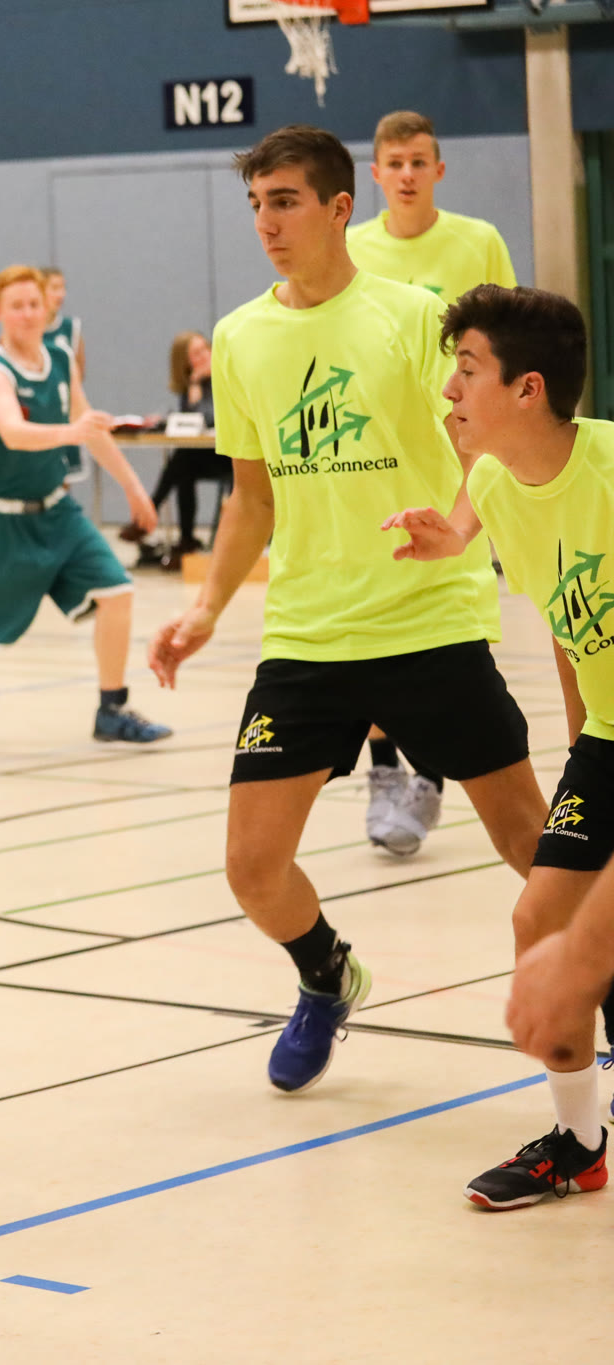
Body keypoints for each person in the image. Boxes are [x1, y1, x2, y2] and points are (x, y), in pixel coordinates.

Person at [148, 125, 545, 1096]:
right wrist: (205, 609)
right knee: (252, 867)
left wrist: (461, 528)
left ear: (337, 209)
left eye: (284, 201)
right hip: (307, 634)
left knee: (530, 843)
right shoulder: (240, 337)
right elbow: (251, 496)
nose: (266, 223)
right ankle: (326, 975)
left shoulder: (414, 318)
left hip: (429, 617)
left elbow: (483, 445)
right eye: (256, 205)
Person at [383, 285, 612, 1208]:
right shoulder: (490, 480)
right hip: (609, 737)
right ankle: (580, 1141)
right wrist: (447, 542)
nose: (449, 390)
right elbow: (561, 613)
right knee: (538, 923)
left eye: (468, 370)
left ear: (528, 388)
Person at [348, 109, 519, 859]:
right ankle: (384, 767)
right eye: (395, 163)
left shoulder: (478, 242)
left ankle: (429, 773)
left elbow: (511, 342)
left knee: (438, 623)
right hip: (375, 456)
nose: (408, 174)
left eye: (419, 161)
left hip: (455, 454)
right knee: (371, 614)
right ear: (376, 173)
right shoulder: (353, 248)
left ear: (439, 170)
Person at [0, 266, 167, 749]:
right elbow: (13, 432)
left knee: (117, 591)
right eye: (17, 306)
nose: (28, 313)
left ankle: (112, 708)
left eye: (34, 304)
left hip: (56, 510)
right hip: (0, 521)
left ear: (48, 308)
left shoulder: (60, 358)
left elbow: (89, 426)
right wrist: (72, 432)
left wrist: (134, 486)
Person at [142, 331, 229, 566]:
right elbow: (191, 424)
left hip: (231, 456)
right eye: (196, 354)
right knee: (183, 466)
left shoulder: (225, 378)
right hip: (206, 455)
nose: (204, 356)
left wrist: (197, 386)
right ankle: (185, 539)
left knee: (182, 461)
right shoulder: (192, 386)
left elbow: (209, 418)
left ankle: (149, 512)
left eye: (205, 349)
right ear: (185, 362)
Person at [42, 267, 91, 484]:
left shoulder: (71, 328)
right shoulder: (25, 330)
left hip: (64, 416)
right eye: (54, 288)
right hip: (36, 417)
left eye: (63, 288)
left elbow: (78, 377)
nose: (61, 294)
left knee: (63, 481)